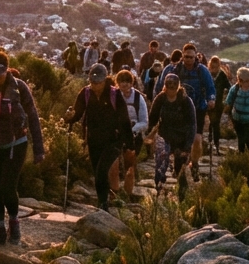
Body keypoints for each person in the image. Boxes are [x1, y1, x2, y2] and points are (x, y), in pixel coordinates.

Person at [0, 51, 45, 247]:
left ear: (6, 70)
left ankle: (14, 222)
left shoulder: (19, 87)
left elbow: (33, 116)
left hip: (16, 144)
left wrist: (38, 149)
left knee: (7, 186)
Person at [64, 63, 133, 209]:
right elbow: (77, 113)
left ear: (104, 80)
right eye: (93, 82)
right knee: (97, 173)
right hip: (93, 139)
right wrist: (69, 117)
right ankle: (104, 201)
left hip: (113, 140)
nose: (95, 85)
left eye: (98, 82)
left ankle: (103, 204)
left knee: (102, 171)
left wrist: (129, 144)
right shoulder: (85, 93)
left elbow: (124, 120)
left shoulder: (115, 94)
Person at [163, 43, 216, 182]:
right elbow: (165, 87)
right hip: (180, 110)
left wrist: (211, 99)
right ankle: (179, 167)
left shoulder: (202, 71)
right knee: (178, 141)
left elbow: (210, 87)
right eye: (186, 57)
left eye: (191, 57)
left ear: (196, 57)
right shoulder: (176, 70)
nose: (188, 60)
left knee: (197, 139)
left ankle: (195, 163)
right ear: (182, 56)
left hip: (198, 108)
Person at [146, 73, 197, 198]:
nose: (171, 90)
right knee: (161, 162)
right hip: (165, 135)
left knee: (181, 167)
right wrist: (148, 133)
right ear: (165, 87)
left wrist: (188, 145)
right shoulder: (160, 99)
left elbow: (192, 124)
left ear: (178, 87)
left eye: (174, 88)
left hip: (182, 137)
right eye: (169, 87)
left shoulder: (186, 101)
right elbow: (153, 118)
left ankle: (182, 193)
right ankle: (159, 186)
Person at [110, 69, 150, 202]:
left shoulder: (139, 98)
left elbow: (144, 121)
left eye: (127, 82)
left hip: (134, 135)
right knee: (113, 163)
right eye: (121, 82)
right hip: (116, 134)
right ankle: (113, 192)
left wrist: (132, 129)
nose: (124, 85)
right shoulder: (113, 96)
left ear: (131, 83)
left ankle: (127, 194)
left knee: (130, 165)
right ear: (118, 83)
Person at [207, 56, 231, 152]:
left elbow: (229, 87)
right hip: (209, 103)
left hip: (219, 103)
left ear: (219, 66)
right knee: (214, 122)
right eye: (212, 67)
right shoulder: (207, 75)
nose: (214, 69)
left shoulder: (222, 75)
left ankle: (214, 142)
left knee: (215, 123)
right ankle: (213, 142)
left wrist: (227, 99)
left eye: (216, 67)